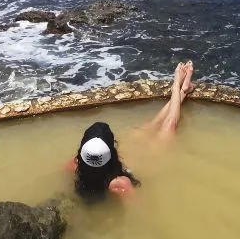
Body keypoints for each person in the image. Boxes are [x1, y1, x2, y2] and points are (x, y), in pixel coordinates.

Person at [71, 61, 194, 202]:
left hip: (132, 153)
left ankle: (180, 90)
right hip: (145, 160)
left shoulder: (75, 163)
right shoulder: (119, 183)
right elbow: (138, 213)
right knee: (168, 124)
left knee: (155, 124)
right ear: (112, 147)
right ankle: (179, 88)